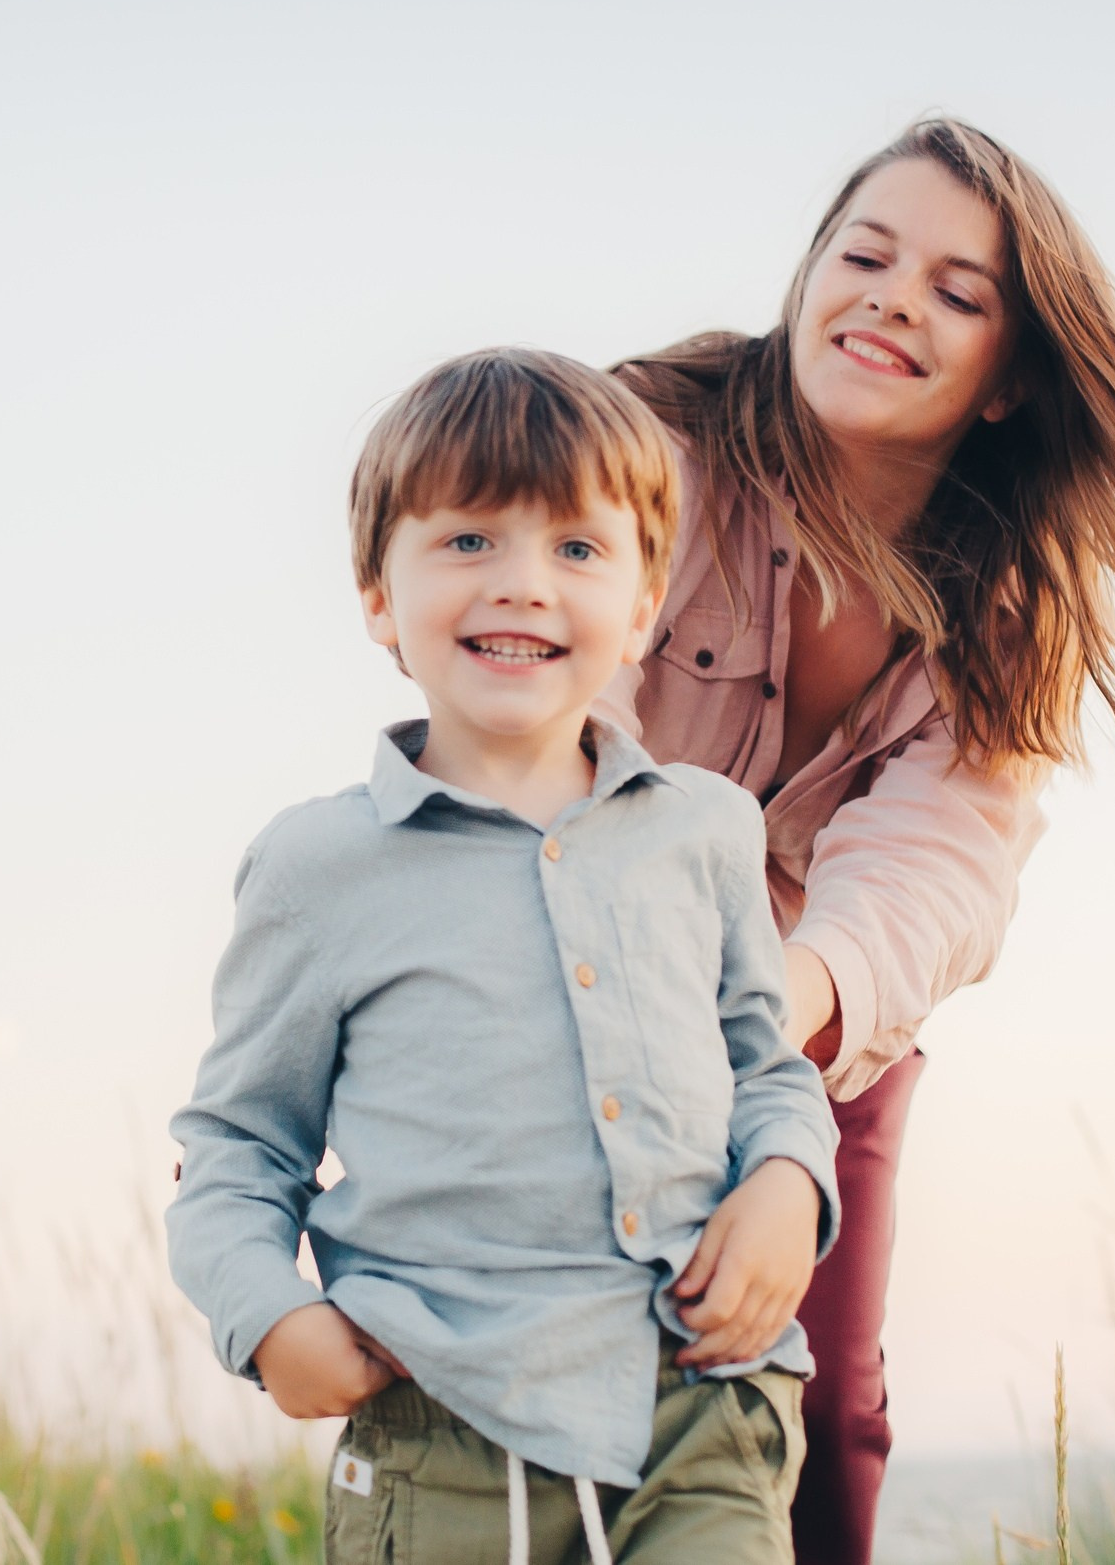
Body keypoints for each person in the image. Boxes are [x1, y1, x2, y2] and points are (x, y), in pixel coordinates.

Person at [607, 117, 1115, 1562]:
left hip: (816, 1014)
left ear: (1010, 376)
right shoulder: (644, 456)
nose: (896, 297)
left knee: (816, 1411)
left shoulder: (1009, 609)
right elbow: (537, 704)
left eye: (960, 293)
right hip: (572, 966)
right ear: (807, 276)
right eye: (867, 254)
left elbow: (940, 867)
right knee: (547, 1379)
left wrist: (778, 1014)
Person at [168, 348, 846, 1564]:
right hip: (442, 1433)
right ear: (379, 597)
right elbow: (235, 1149)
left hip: (698, 1409)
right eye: (470, 541)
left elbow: (767, 1069)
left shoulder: (703, 832)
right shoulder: (318, 869)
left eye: (578, 550)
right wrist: (266, 1313)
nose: (525, 585)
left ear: (645, 605)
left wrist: (789, 1184)